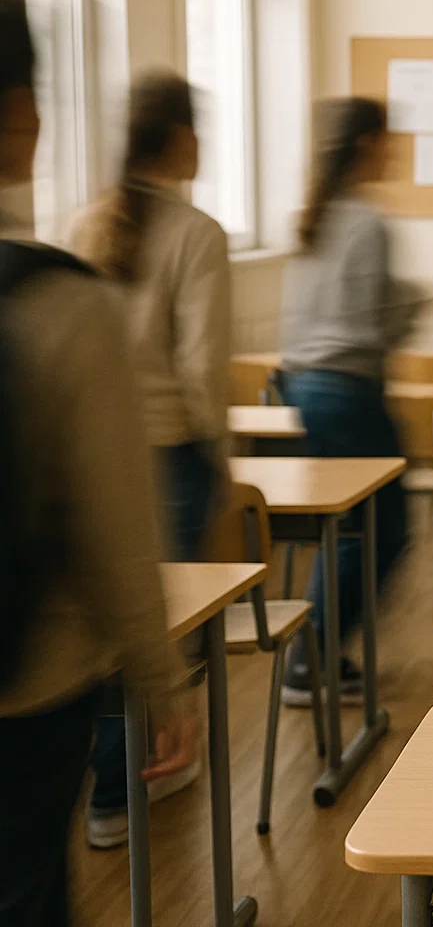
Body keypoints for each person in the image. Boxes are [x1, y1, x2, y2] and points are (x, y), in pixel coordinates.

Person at [0, 0, 198, 924]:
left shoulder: (82, 230)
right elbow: (117, 531)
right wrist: (162, 682)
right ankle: (118, 800)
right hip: (26, 673)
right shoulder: (55, 302)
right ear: (25, 117)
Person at [69, 71, 230, 848]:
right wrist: (222, 456)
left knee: (106, 617)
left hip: (87, 453)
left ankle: (102, 789)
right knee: (163, 619)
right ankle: (131, 783)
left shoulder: (85, 225)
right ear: (180, 139)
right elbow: (202, 368)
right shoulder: (197, 233)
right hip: (168, 455)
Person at [278, 97, 418, 706]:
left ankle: (316, 653)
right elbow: (370, 328)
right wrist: (409, 308)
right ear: (366, 144)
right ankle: (311, 658)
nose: (396, 149)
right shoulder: (367, 220)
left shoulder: (316, 216)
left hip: (303, 384)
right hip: (346, 388)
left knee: (349, 527)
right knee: (380, 530)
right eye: (389, 138)